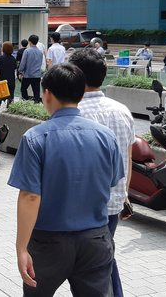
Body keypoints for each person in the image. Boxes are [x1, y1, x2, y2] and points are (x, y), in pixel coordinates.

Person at [8, 63, 123, 297]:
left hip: (48, 242)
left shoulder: (35, 138)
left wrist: (21, 247)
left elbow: (30, 196)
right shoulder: (106, 137)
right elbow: (112, 181)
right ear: (81, 94)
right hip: (95, 239)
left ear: (47, 94)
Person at [69, 48, 136, 297]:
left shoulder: (73, 113)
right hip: (114, 204)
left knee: (92, 268)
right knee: (104, 259)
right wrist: (124, 195)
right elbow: (127, 158)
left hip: (82, 208)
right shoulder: (122, 111)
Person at [18, 35, 43, 103]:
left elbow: (23, 63)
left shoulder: (27, 51)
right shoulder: (40, 52)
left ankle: (26, 102)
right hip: (37, 75)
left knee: (23, 89)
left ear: (29, 41)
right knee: (36, 91)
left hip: (28, 74)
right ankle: (36, 104)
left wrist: (20, 71)